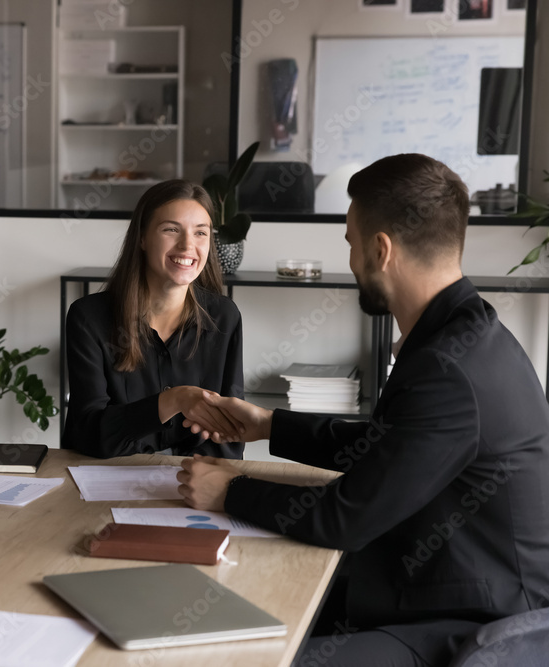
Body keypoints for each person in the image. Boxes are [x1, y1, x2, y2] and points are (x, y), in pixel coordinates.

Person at [176, 154, 549, 666]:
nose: (351, 260)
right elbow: (389, 449)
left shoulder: (448, 368)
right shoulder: (466, 333)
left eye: (351, 243)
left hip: (474, 625)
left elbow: (345, 518)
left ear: (381, 250)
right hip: (445, 585)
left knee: (255, 654)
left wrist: (229, 490)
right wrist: (267, 424)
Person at [62, 179, 244, 458]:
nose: (187, 245)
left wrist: (204, 483)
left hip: (193, 484)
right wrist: (172, 401)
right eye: (171, 229)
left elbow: (228, 436)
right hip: (106, 479)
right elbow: (89, 435)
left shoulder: (224, 317)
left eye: (200, 233)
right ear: (142, 238)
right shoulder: (89, 318)